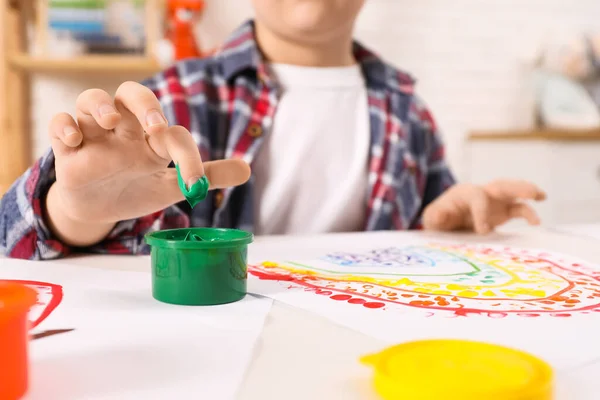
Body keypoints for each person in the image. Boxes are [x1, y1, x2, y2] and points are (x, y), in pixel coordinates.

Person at [0, 0, 545, 260]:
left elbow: (434, 215)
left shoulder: (409, 111)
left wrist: (448, 215)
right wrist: (70, 212)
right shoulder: (170, 99)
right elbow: (9, 239)